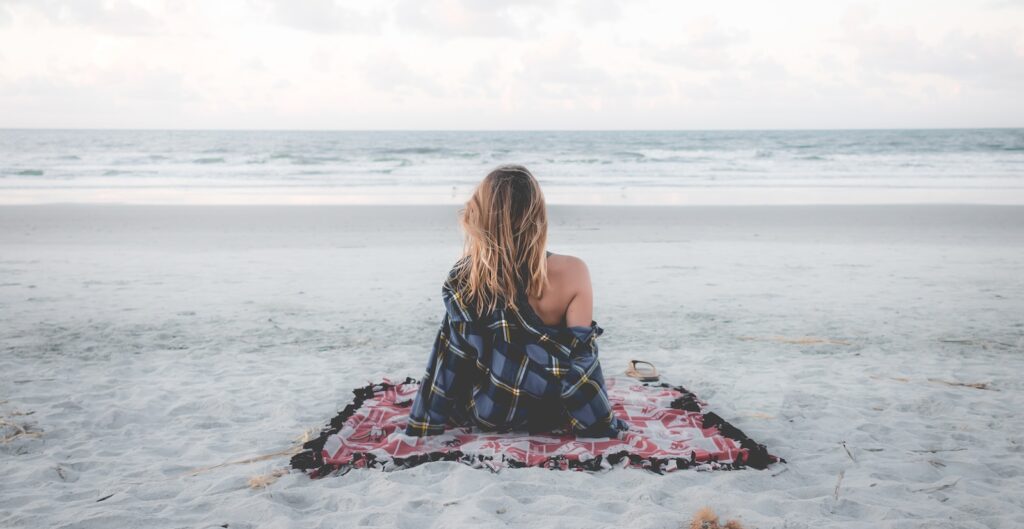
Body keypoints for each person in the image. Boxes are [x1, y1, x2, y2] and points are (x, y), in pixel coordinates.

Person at [404, 164, 627, 438]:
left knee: (454, 335)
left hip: (491, 412)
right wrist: (598, 422)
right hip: (553, 413)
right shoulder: (573, 271)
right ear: (537, 215)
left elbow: (451, 359)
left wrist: (423, 426)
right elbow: (581, 361)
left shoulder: (466, 276)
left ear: (483, 218)